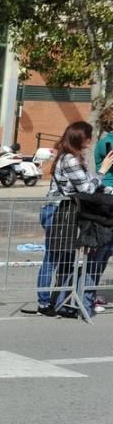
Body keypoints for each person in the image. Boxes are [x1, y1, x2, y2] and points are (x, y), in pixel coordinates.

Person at [40, 120, 113, 316]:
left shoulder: (76, 157)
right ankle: (44, 301)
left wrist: (108, 190)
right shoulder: (70, 159)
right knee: (54, 257)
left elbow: (90, 184)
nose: (90, 140)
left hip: (68, 211)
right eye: (88, 137)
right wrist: (102, 170)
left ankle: (60, 302)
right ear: (79, 138)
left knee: (66, 258)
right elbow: (87, 189)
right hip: (58, 211)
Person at [89, 104, 113, 311]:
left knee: (104, 250)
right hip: (109, 198)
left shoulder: (103, 142)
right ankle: (89, 292)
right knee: (103, 250)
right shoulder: (108, 143)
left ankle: (90, 291)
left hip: (105, 198)